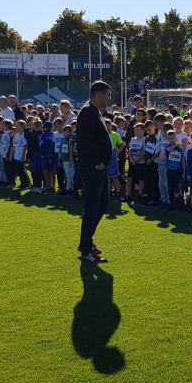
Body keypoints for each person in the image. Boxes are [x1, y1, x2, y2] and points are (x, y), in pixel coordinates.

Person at [76, 81, 113, 264]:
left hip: (98, 167)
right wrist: (97, 162)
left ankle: (86, 242)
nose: (109, 98)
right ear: (98, 95)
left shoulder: (94, 113)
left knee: (103, 203)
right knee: (91, 208)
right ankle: (86, 248)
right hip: (92, 167)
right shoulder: (87, 113)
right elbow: (85, 141)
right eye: (107, 95)